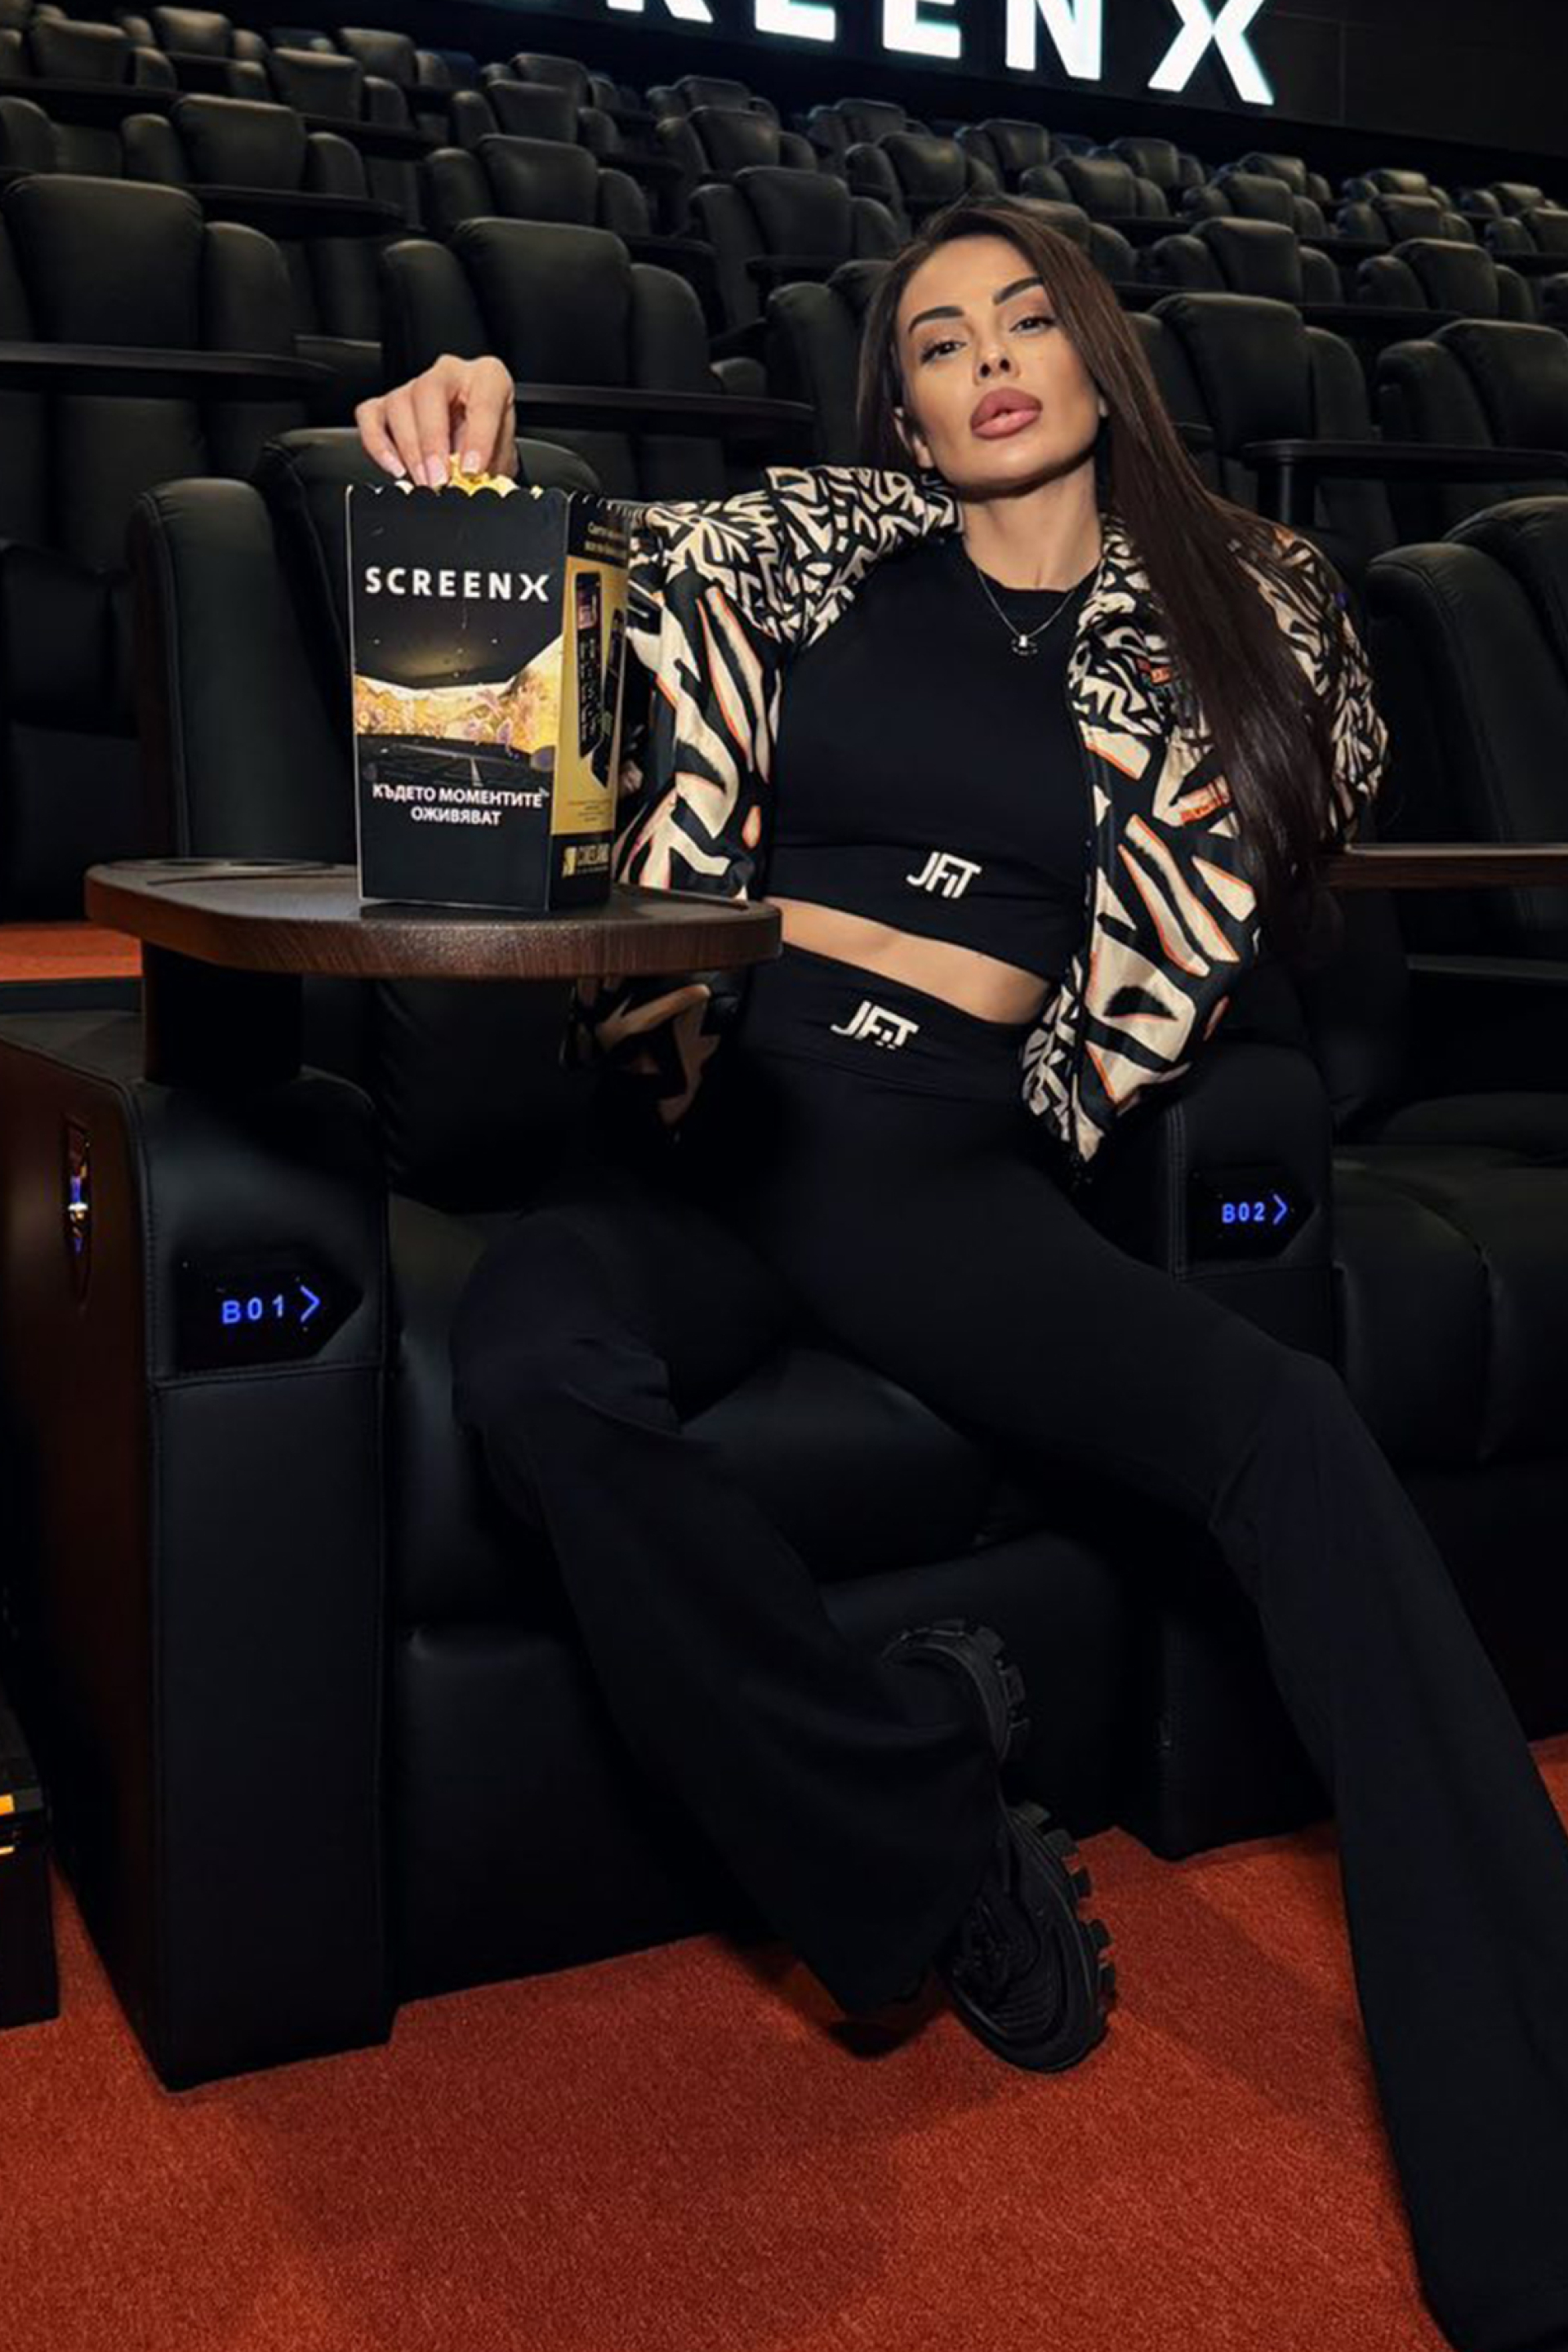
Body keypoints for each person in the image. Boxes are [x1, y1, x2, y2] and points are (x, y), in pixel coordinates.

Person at [358, 198, 1568, 2352]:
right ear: (900, 407)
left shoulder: (1234, 618)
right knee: (532, 1367)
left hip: (937, 1163)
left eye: (1027, 319)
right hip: (714, 1116)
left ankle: (1540, 2168)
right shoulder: (812, 565)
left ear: (1101, 357)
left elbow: (1280, 816)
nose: (990, 358)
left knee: (1285, 1430)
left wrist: (1220, 668)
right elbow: (586, 592)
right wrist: (482, 463)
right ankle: (923, 1819)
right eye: (939, 338)